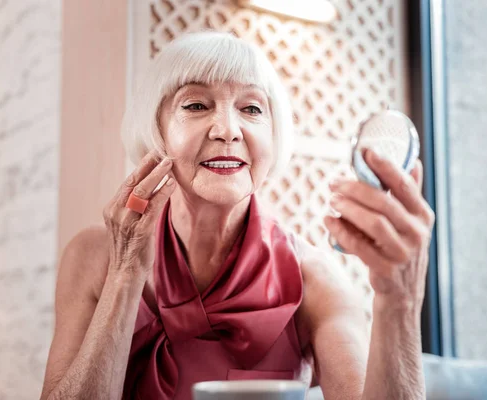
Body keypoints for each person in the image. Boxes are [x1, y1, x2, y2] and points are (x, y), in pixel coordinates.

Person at [40, 31, 435, 400]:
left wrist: (399, 299)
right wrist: (126, 275)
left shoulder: (316, 278)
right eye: (196, 105)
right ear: (155, 132)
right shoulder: (93, 256)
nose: (228, 130)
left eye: (251, 108)